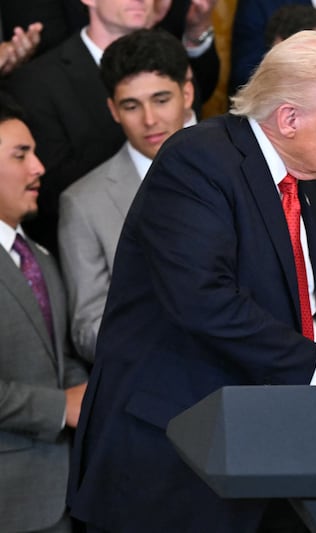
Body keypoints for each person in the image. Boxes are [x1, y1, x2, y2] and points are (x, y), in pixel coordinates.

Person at [67, 31, 316, 532]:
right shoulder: (199, 161)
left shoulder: (301, 183)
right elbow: (203, 299)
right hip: (172, 461)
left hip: (257, 457)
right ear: (289, 117)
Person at [1, 0, 218, 255]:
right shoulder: (36, 83)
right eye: (130, 107)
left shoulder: (173, 63)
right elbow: (48, 197)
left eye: (160, 100)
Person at [57, 28, 195, 363]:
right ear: (113, 110)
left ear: (187, 93)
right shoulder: (83, 203)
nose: (149, 120)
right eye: (131, 106)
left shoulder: (243, 168)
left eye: (161, 100)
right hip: (153, 385)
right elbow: (88, 328)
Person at [0, 95, 88, 533]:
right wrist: (61, 406)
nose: (38, 168)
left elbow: (58, 356)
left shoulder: (39, 255)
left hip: (60, 497)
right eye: (21, 155)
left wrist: (85, 388)